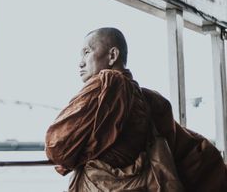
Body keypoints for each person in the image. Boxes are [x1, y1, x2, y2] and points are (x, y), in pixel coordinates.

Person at [45, 27, 227, 191]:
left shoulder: (108, 83)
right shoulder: (149, 99)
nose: (81, 63)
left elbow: (57, 147)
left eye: (87, 52)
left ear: (113, 55)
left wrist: (84, 155)